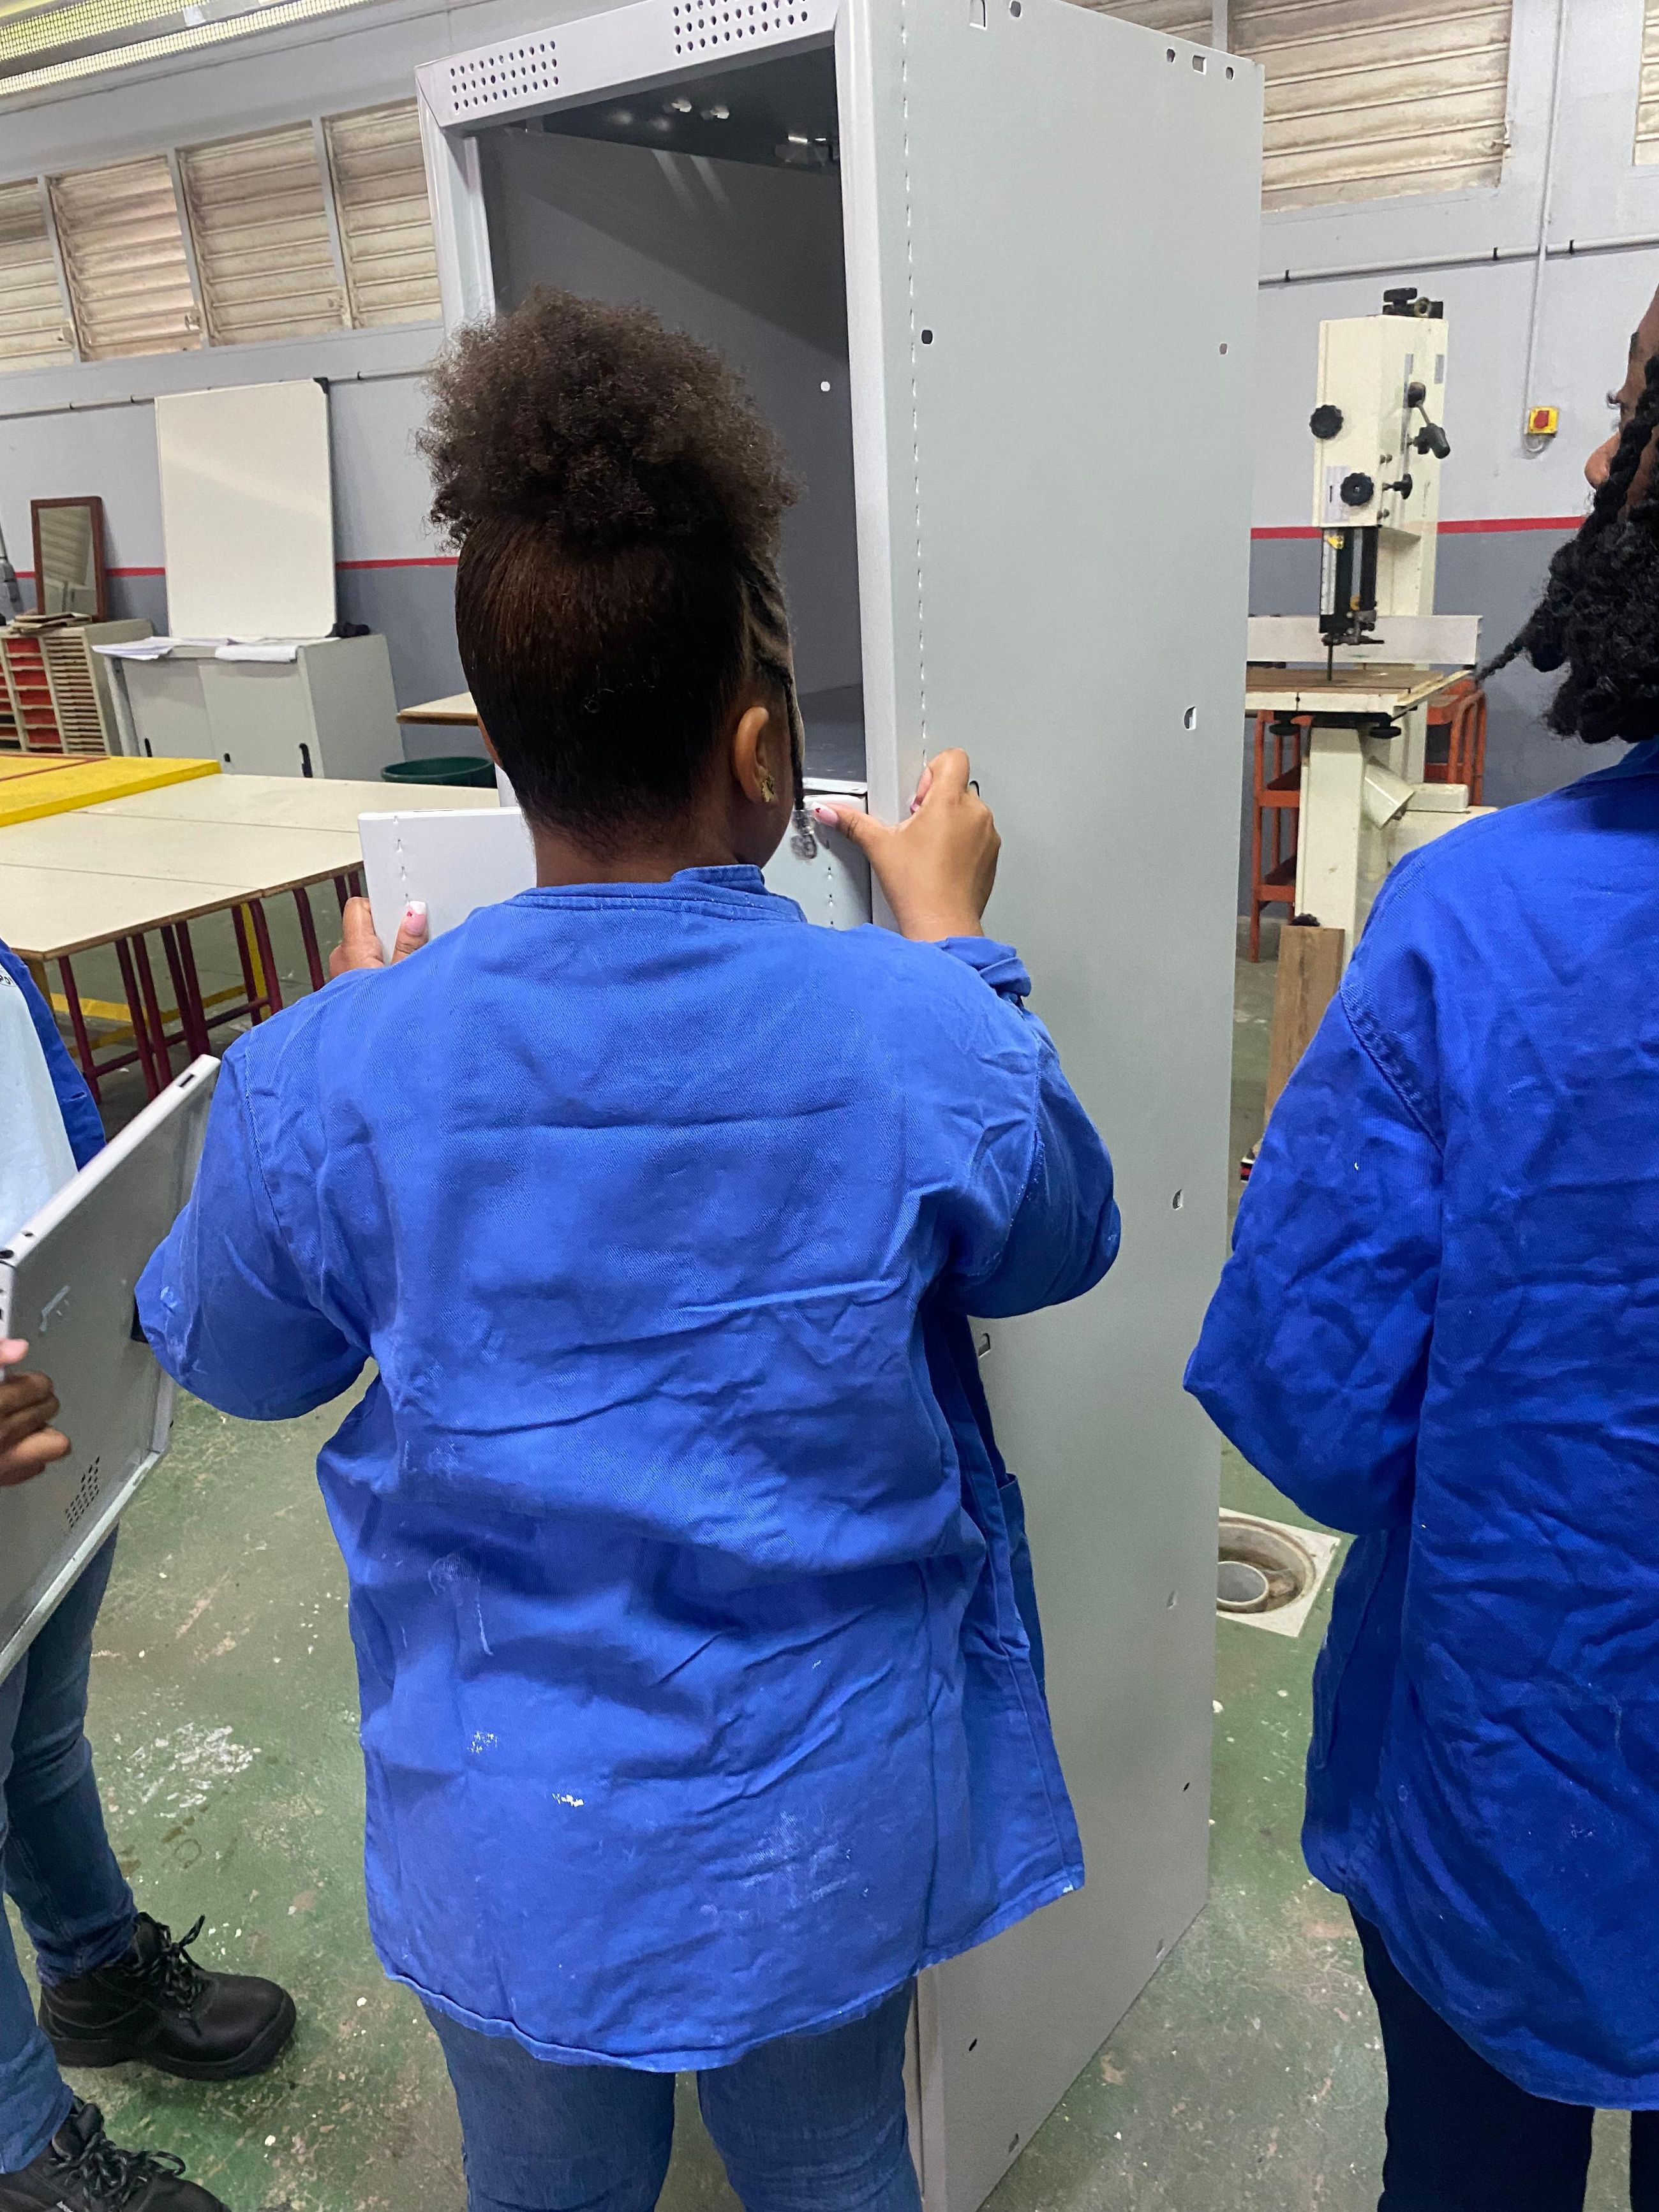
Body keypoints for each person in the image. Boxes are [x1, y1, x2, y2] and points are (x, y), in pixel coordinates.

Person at [137, 288, 1119, 2212]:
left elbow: (236, 1357)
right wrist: (955, 948)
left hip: (510, 1827)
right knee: (834, 2156)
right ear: (762, 750)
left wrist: (340, 1033)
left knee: (545, 2177)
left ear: (500, 751)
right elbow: (1058, 1241)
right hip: (817, 1813)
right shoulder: (924, 1034)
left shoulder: (328, 1072)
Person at [1187, 289, 1659, 2212]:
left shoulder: (1477, 925)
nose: (1600, 452)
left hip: (1519, 1772)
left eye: (1630, 409)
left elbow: (1313, 1414)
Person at [0, 941, 295, 2212]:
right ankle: (20, 2151)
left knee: (36, 1733)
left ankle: (92, 1970)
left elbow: (74, 1151)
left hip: (49, 1398)